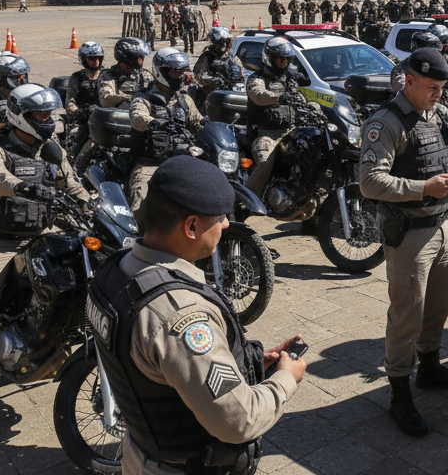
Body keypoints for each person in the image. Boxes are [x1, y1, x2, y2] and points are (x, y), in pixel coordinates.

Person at [87, 155, 306, 474]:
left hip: (139, 453)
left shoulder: (114, 273)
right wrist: (288, 377)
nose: (227, 224)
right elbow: (239, 420)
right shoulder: (181, 315)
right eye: (220, 217)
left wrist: (256, 362)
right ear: (190, 227)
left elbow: (160, 370)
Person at [0, 84, 90, 428]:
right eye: (39, 115)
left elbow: (74, 185)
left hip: (46, 234)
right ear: (18, 116)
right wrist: (21, 186)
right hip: (2, 241)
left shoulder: (52, 151)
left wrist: (92, 204)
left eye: (48, 115)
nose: (46, 120)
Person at [358, 48, 448, 437]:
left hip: (444, 225)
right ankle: (399, 393)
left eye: (443, 88)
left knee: (438, 308)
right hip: (409, 235)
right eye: (431, 87)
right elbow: (370, 182)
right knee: (406, 316)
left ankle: (429, 369)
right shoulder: (385, 123)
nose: (439, 95)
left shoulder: (440, 113)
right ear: (409, 80)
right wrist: (422, 187)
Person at [128, 48, 204, 223]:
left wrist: (215, 128)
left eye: (181, 71)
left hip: (184, 161)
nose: (179, 75)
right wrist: (152, 122)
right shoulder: (144, 98)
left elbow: (198, 123)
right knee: (140, 202)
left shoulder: (184, 99)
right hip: (151, 164)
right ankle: (136, 245)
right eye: (174, 71)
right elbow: (136, 117)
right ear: (161, 72)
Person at [245, 37, 320, 198]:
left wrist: (315, 108)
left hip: (291, 131)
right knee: (266, 163)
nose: (284, 62)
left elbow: (300, 100)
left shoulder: (290, 80)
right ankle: (247, 199)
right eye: (281, 58)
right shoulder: (257, 79)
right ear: (270, 58)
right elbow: (257, 95)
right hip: (266, 133)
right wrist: (278, 97)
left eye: (287, 59)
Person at [65, 41, 105, 159]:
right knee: (73, 144)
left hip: (103, 118)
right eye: (91, 58)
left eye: (98, 58)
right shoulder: (77, 77)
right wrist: (78, 112)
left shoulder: (106, 75)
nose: (95, 61)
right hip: (82, 119)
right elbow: (69, 101)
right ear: (84, 59)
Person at [193, 26, 244, 109]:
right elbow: (198, 76)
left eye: (224, 42)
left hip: (231, 93)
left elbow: (241, 74)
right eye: (219, 43)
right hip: (211, 96)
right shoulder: (206, 57)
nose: (221, 45)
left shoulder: (232, 57)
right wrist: (213, 80)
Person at [100, 37, 154, 109]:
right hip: (117, 116)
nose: (142, 61)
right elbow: (106, 100)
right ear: (128, 58)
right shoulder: (109, 76)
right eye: (139, 58)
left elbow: (156, 93)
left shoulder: (145, 75)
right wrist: (128, 98)